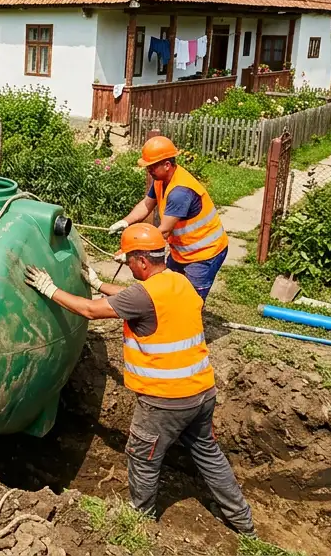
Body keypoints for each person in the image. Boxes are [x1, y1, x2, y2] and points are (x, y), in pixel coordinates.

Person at [23, 224, 255, 536]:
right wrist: (100, 284)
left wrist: (50, 289)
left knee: (142, 457)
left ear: (142, 261)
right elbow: (137, 298)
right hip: (202, 392)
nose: (127, 264)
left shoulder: (147, 295)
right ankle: (243, 522)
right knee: (207, 454)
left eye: (129, 260)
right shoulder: (179, 282)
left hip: (166, 400)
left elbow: (91, 311)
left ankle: (142, 524)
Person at [109, 136, 228, 300]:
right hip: (182, 250)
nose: (148, 169)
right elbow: (146, 204)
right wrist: (125, 221)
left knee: (190, 300)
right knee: (168, 288)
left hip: (205, 253)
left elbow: (163, 231)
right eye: (147, 166)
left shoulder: (180, 192)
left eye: (152, 166)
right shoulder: (161, 179)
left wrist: (131, 254)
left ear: (167, 165)